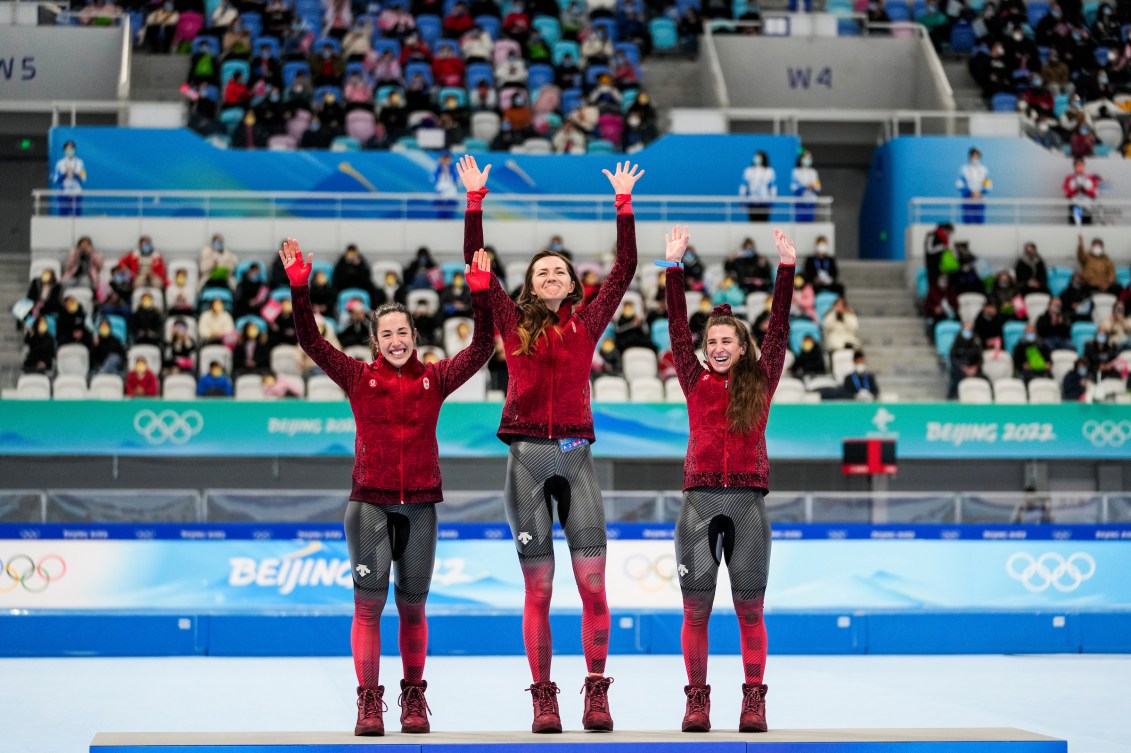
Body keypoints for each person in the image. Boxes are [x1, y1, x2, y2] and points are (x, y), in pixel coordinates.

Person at [279, 223, 495, 736]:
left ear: (414, 337)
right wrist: (299, 288)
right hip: (369, 506)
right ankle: (369, 703)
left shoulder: (436, 378)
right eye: (387, 334)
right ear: (375, 341)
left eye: (403, 333)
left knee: (413, 608)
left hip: (420, 507)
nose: (396, 341)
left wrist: (482, 296)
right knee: (370, 607)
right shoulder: (357, 377)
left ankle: (414, 699)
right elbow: (310, 340)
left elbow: (484, 346)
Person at [455, 156, 641, 734]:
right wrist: (476, 201)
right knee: (538, 588)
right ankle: (543, 698)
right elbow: (474, 263)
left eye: (560, 271)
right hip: (526, 463)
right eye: (542, 272)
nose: (552, 277)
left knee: (593, 588)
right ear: (530, 285)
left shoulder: (588, 322)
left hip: (577, 459)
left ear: (572, 282)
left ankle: (595, 692)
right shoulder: (510, 322)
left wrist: (623, 205)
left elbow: (627, 266)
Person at [663, 224, 794, 733]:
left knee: (749, 613)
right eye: (711, 341)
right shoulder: (693, 380)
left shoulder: (761, 383)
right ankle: (697, 702)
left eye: (727, 341)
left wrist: (786, 270)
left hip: (747, 506)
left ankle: (753, 702)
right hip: (698, 505)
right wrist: (672, 268)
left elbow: (778, 329)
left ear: (742, 349)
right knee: (696, 613)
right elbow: (677, 327)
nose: (717, 346)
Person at [738, 152, 776, 223]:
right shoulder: (748, 171)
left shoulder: (769, 171)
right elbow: (743, 187)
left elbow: (773, 188)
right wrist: (742, 201)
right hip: (752, 201)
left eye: (759, 157)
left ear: (763, 159)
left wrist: (772, 202)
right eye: (756, 157)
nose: (757, 159)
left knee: (764, 223)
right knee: (753, 223)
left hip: (765, 202)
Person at [957, 147, 991, 224]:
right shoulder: (964, 169)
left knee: (979, 222)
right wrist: (970, 193)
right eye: (973, 155)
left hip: (980, 199)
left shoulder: (984, 170)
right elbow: (959, 184)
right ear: (970, 156)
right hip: (967, 199)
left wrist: (980, 193)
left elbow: (988, 184)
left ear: (980, 157)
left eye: (977, 155)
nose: (975, 157)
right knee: (968, 221)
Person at [52, 140, 86, 217]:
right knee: (63, 216)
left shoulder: (80, 163)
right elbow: (55, 179)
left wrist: (75, 173)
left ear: (74, 150)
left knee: (77, 216)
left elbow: (84, 178)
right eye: (68, 149)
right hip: (64, 193)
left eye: (72, 149)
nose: (70, 151)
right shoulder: (59, 163)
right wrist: (65, 173)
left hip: (76, 192)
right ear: (64, 150)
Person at [1063, 158, 1100, 225]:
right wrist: (1075, 189)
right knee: (1075, 227)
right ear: (1074, 167)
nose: (1080, 167)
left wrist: (1085, 189)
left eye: (1082, 165)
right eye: (1078, 165)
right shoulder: (1069, 178)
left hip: (1086, 207)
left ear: (1084, 166)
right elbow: (1067, 193)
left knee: (1087, 228)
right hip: (1075, 206)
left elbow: (1095, 193)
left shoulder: (1090, 178)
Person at [789, 150, 821, 223]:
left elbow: (818, 187)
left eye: (809, 158)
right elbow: (793, 187)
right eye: (805, 158)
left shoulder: (813, 172)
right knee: (799, 223)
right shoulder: (795, 172)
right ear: (801, 159)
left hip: (810, 201)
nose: (807, 160)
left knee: (809, 222)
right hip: (799, 201)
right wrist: (805, 187)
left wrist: (813, 186)